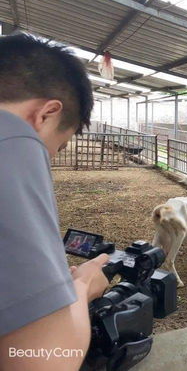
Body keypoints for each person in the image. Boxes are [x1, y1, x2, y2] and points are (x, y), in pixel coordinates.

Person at [0, 34, 110, 370]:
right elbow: (43, 360)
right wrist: (82, 287)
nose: (46, 159)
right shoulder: (13, 140)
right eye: (56, 147)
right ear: (46, 114)